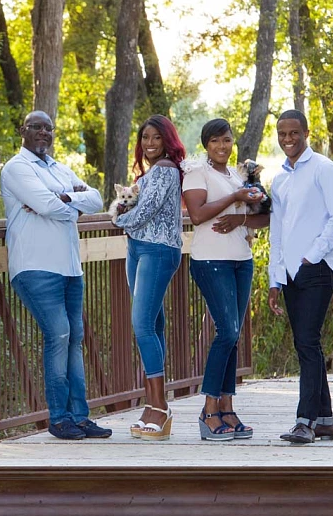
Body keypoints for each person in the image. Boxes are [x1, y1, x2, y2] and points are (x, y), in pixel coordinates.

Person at [0, 111, 112, 440]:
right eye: (36, 126)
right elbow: (49, 207)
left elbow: (96, 199)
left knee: (74, 340)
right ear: (23, 130)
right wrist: (67, 203)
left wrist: (65, 199)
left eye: (48, 128)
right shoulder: (17, 168)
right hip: (35, 266)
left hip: (70, 267)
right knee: (59, 335)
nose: (43, 132)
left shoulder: (59, 168)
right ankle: (59, 418)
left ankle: (79, 416)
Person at [182, 118, 269, 441]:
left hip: (241, 261)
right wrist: (235, 197)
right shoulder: (197, 173)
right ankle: (209, 409)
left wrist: (240, 216)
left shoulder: (239, 175)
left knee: (233, 335)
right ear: (207, 144)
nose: (222, 146)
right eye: (216, 141)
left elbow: (264, 217)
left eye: (227, 140)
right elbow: (198, 215)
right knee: (227, 331)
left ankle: (228, 408)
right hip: (210, 260)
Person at [268, 109, 333, 444]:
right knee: (307, 343)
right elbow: (277, 231)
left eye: (294, 133)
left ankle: (305, 421)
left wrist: (311, 255)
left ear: (305, 132)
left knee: (307, 341)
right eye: (282, 134)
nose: (288, 139)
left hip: (317, 268)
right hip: (289, 273)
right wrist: (275, 279)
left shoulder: (324, 170)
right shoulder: (280, 179)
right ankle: (326, 421)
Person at [113, 114, 185, 441]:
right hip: (138, 249)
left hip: (157, 250)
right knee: (152, 325)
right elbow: (126, 207)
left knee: (141, 325)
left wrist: (118, 220)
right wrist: (123, 217)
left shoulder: (167, 170)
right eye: (145, 138)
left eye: (157, 137)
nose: (150, 144)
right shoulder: (147, 174)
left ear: (167, 140)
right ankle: (151, 403)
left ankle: (160, 405)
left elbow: (144, 210)